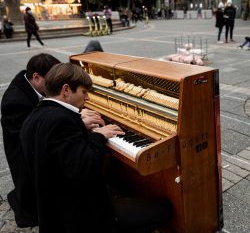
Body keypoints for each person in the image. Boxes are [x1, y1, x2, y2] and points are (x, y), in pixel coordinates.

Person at [20, 63, 171, 233]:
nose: (88, 99)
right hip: (81, 217)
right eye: (84, 92)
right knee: (164, 209)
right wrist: (98, 136)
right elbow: (85, 167)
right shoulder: (61, 121)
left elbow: (54, 148)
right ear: (66, 90)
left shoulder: (35, 115)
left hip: (52, 209)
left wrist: (80, 127)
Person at [1, 54, 61, 227]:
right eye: (51, 80)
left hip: (34, 146)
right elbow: (31, 136)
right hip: (24, 155)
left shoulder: (30, 81)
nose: (55, 85)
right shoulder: (14, 101)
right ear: (36, 77)